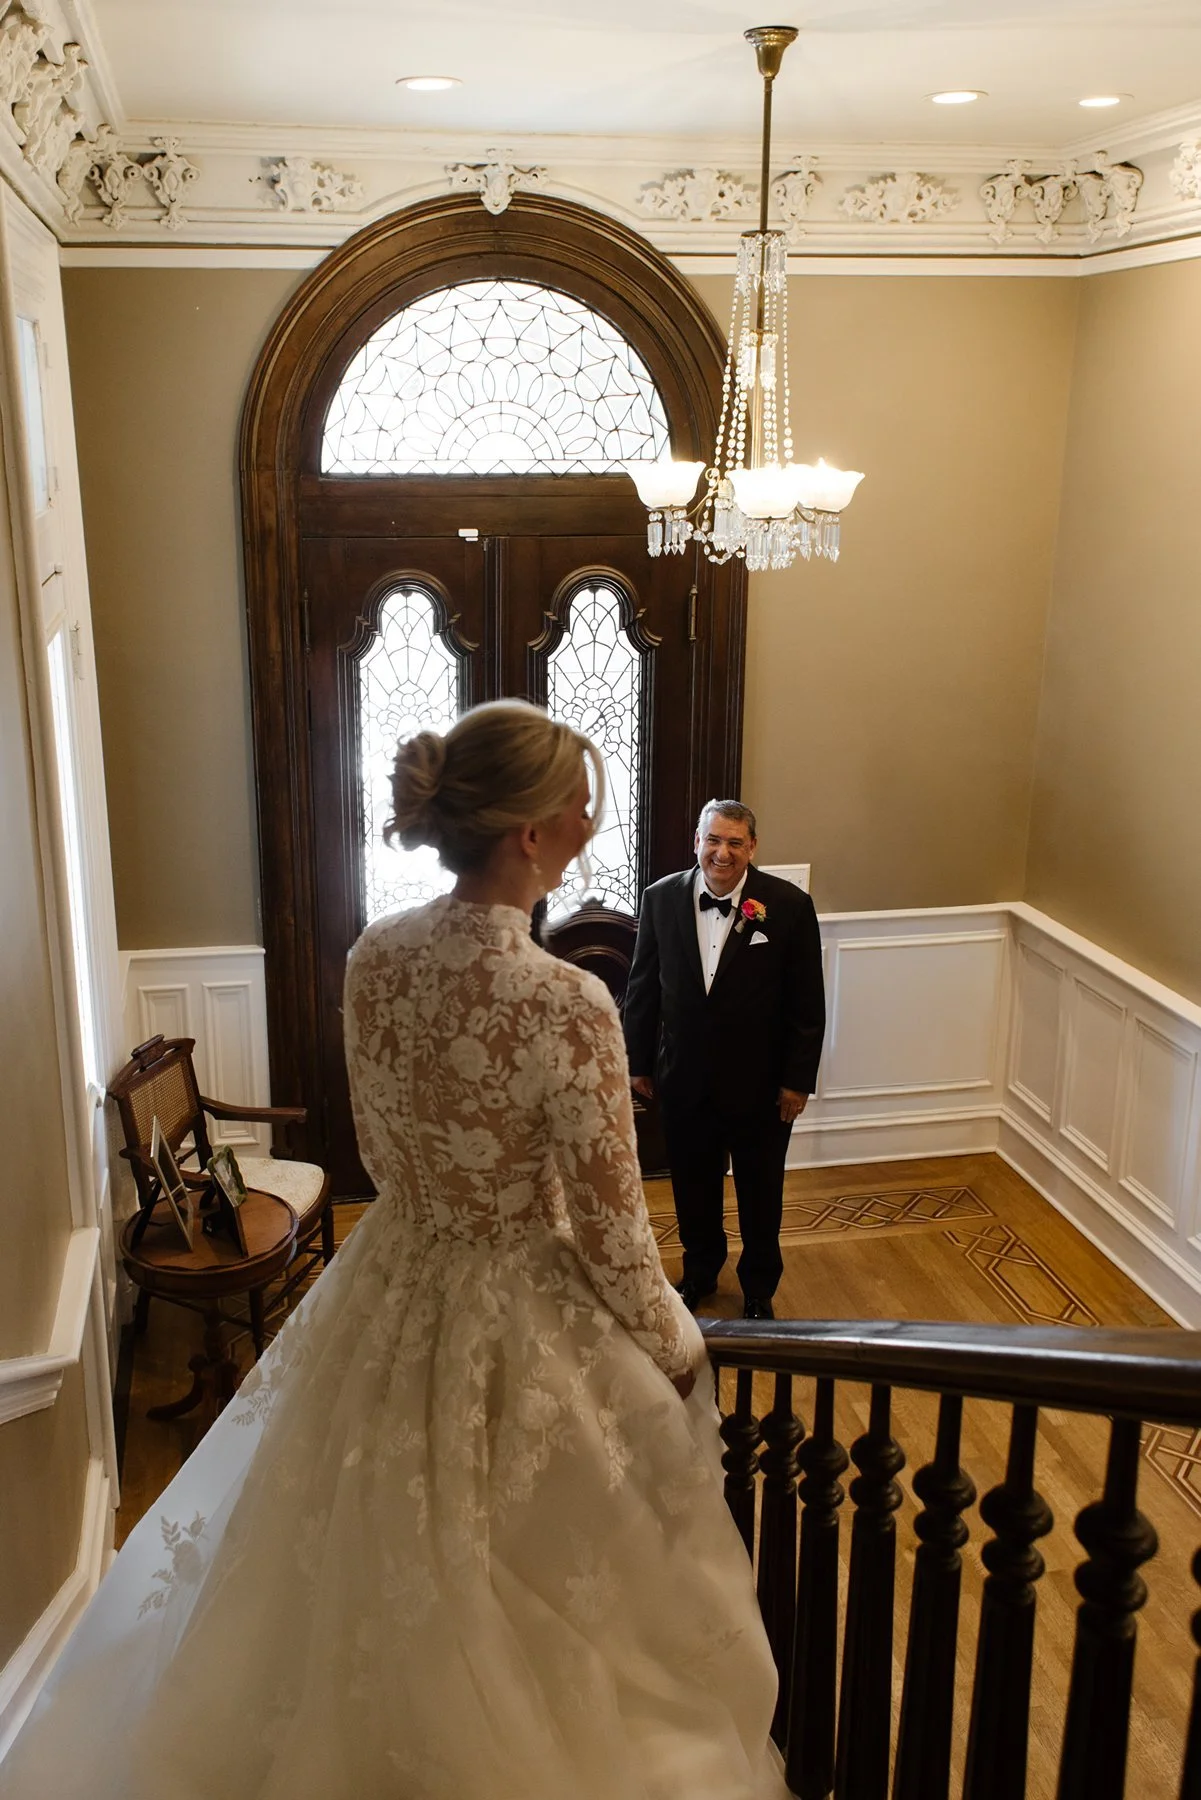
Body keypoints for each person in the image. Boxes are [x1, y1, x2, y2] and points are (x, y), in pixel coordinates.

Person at [0, 703, 788, 1800]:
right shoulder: (569, 1004)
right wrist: (677, 1345)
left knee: (354, 1563)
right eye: (579, 804)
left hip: (391, 1279)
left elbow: (374, 1144)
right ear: (528, 833)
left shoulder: (377, 955)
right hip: (520, 1297)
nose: (589, 821)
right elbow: (613, 1237)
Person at [623, 800, 825, 1322]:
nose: (722, 852)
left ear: (752, 848)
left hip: (762, 1088)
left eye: (735, 843)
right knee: (693, 1187)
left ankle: (758, 1287)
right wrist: (637, 1063)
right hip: (685, 1080)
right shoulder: (661, 899)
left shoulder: (789, 906)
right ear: (697, 842)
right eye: (713, 840)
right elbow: (643, 988)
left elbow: (807, 1006)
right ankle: (699, 1273)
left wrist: (796, 1082)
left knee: (761, 1192)